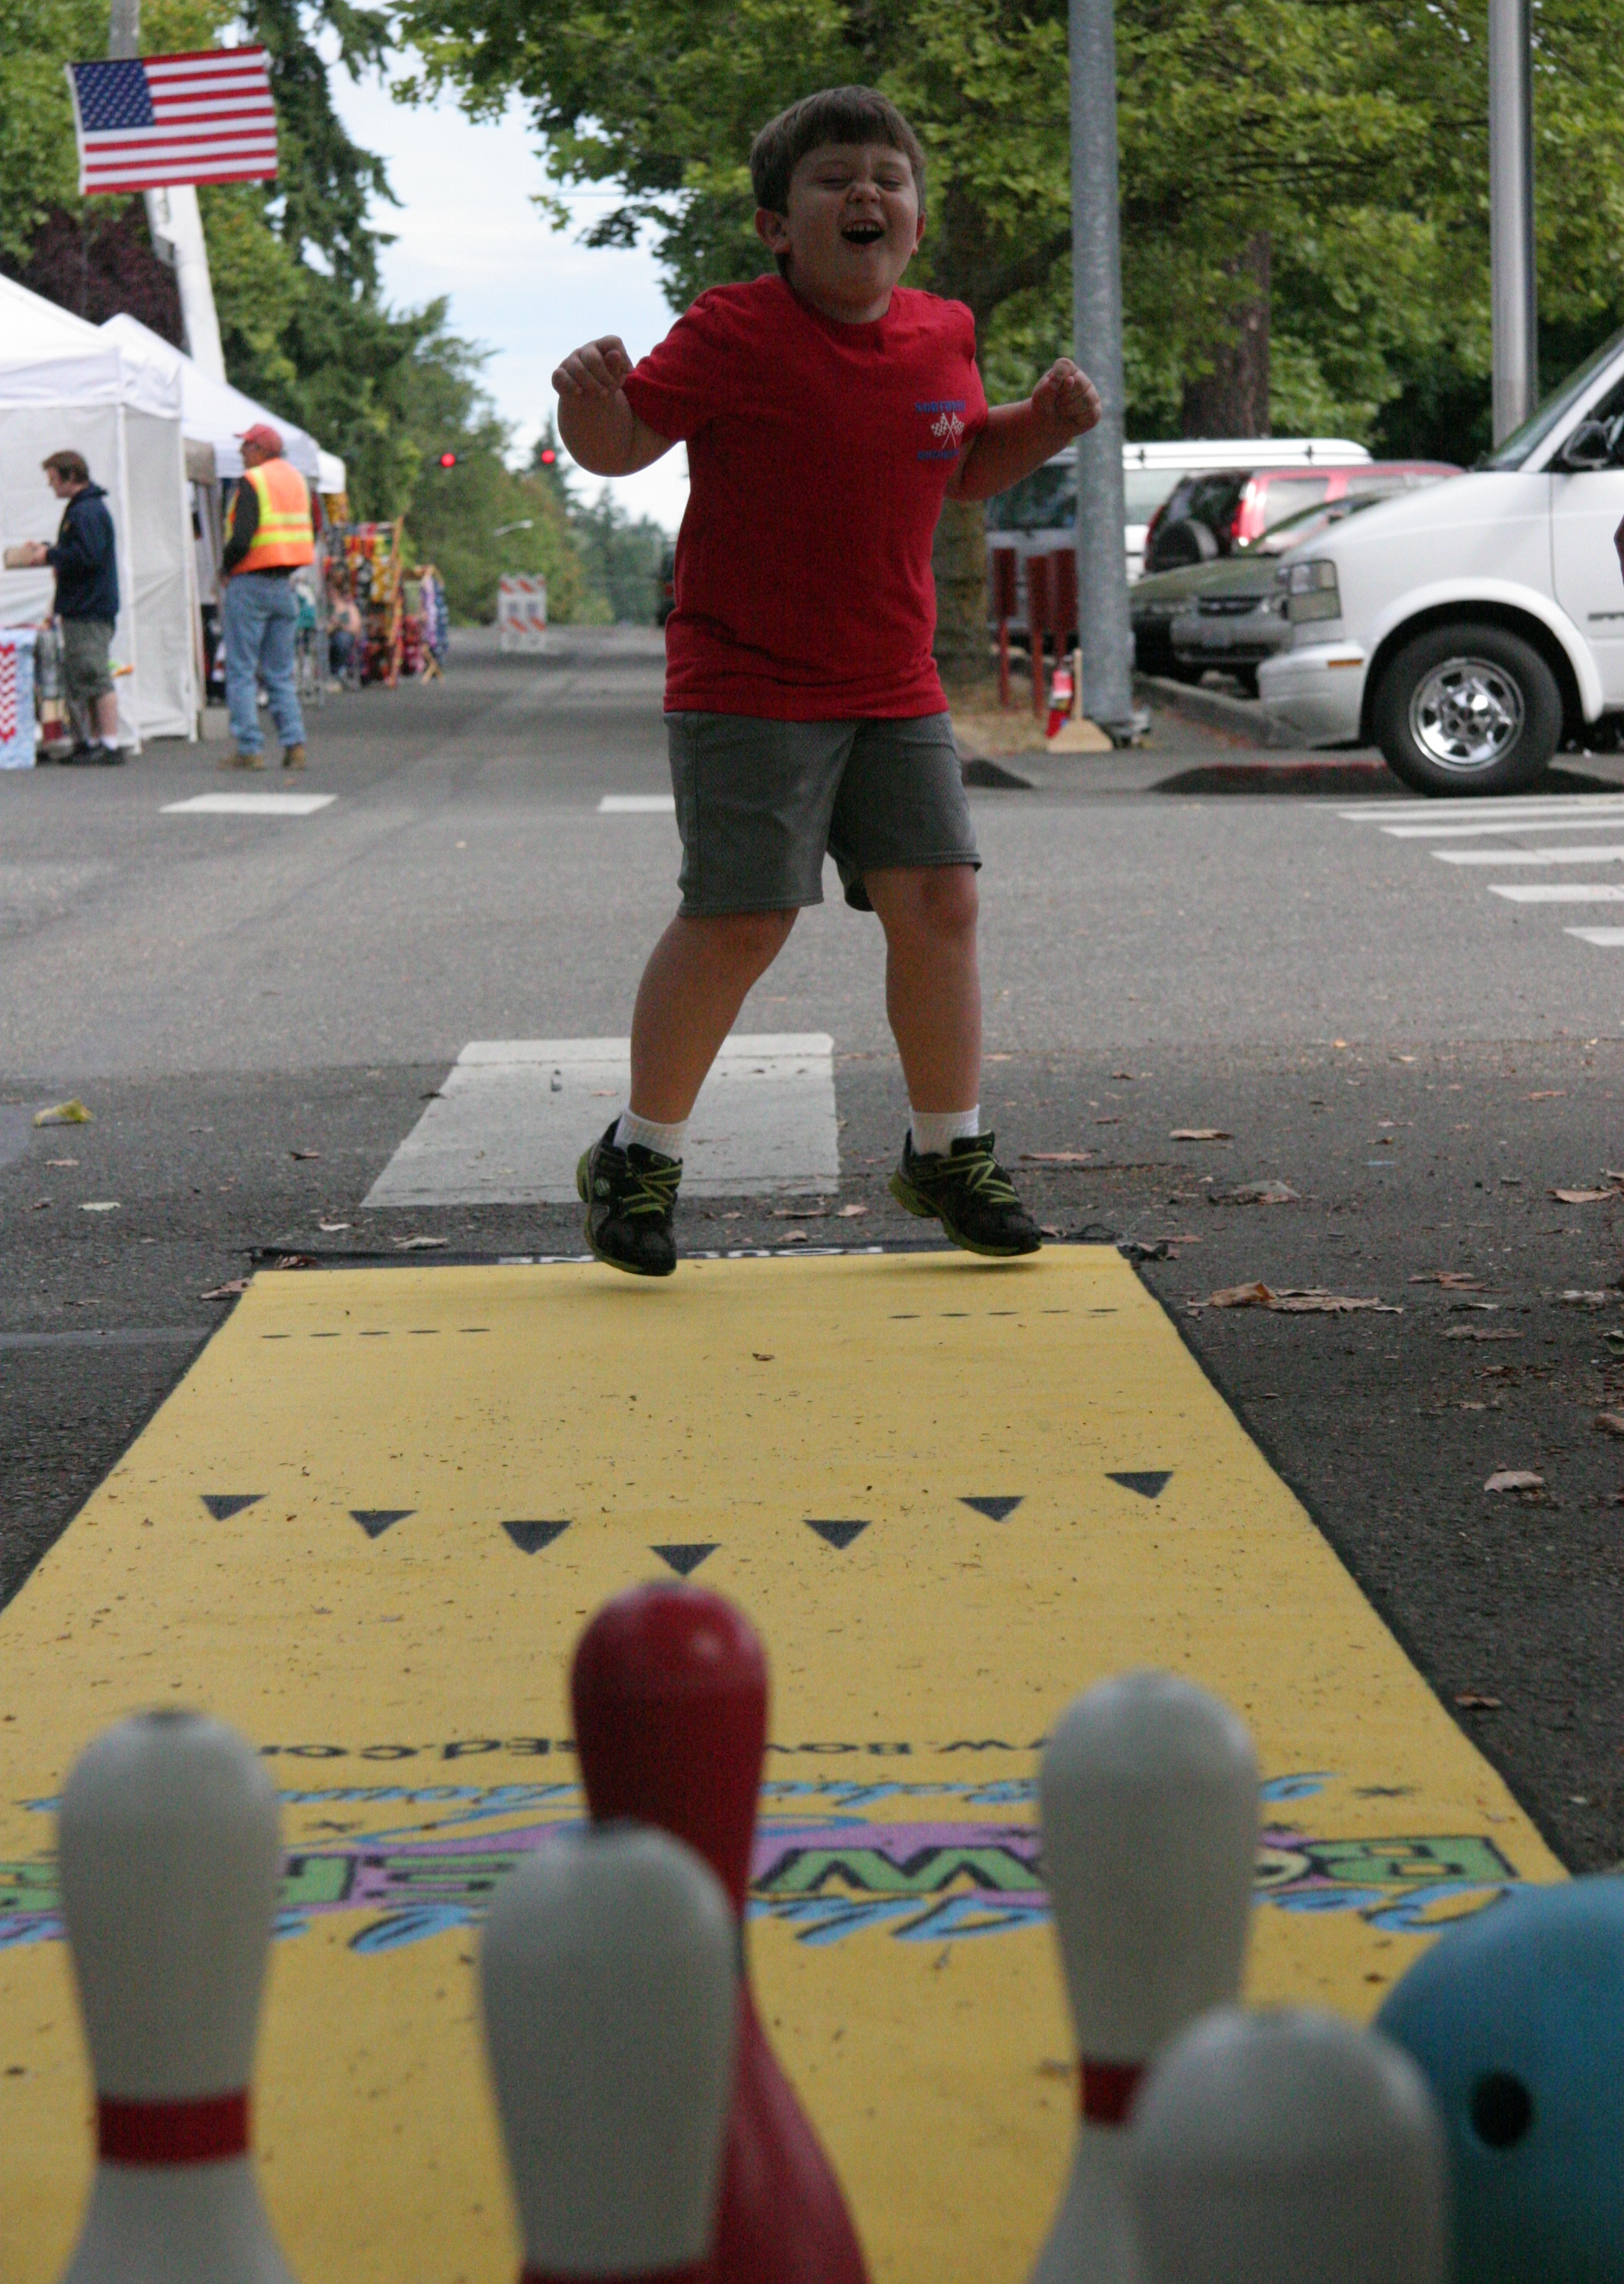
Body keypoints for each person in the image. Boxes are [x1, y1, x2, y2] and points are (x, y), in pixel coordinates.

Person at [553, 85, 1102, 1277]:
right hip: (746, 679)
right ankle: (638, 1160)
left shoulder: (943, 332)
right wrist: (583, 406)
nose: (866, 193)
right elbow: (623, 445)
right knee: (742, 919)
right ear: (776, 227)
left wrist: (1043, 426)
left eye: (888, 179)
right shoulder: (731, 328)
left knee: (942, 901)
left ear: (915, 219)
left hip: (894, 679)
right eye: (834, 178)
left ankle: (947, 1152)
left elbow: (962, 465)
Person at [17, 451, 124, 765]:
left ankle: (109, 743)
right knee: (82, 677)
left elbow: (87, 556)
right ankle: (92, 742)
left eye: (53, 479)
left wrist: (51, 556)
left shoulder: (86, 512)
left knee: (95, 675)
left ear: (70, 476)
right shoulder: (85, 509)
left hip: (89, 608)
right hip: (84, 606)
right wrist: (51, 551)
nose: (50, 485)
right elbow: (82, 552)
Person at [219, 422, 313, 770]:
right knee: (279, 673)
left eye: (246, 446)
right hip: (283, 585)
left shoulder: (254, 481)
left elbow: (242, 537)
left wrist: (225, 568)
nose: (241, 453)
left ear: (260, 450)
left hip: (250, 582)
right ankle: (294, 744)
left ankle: (250, 749)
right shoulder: (296, 480)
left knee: (242, 670)